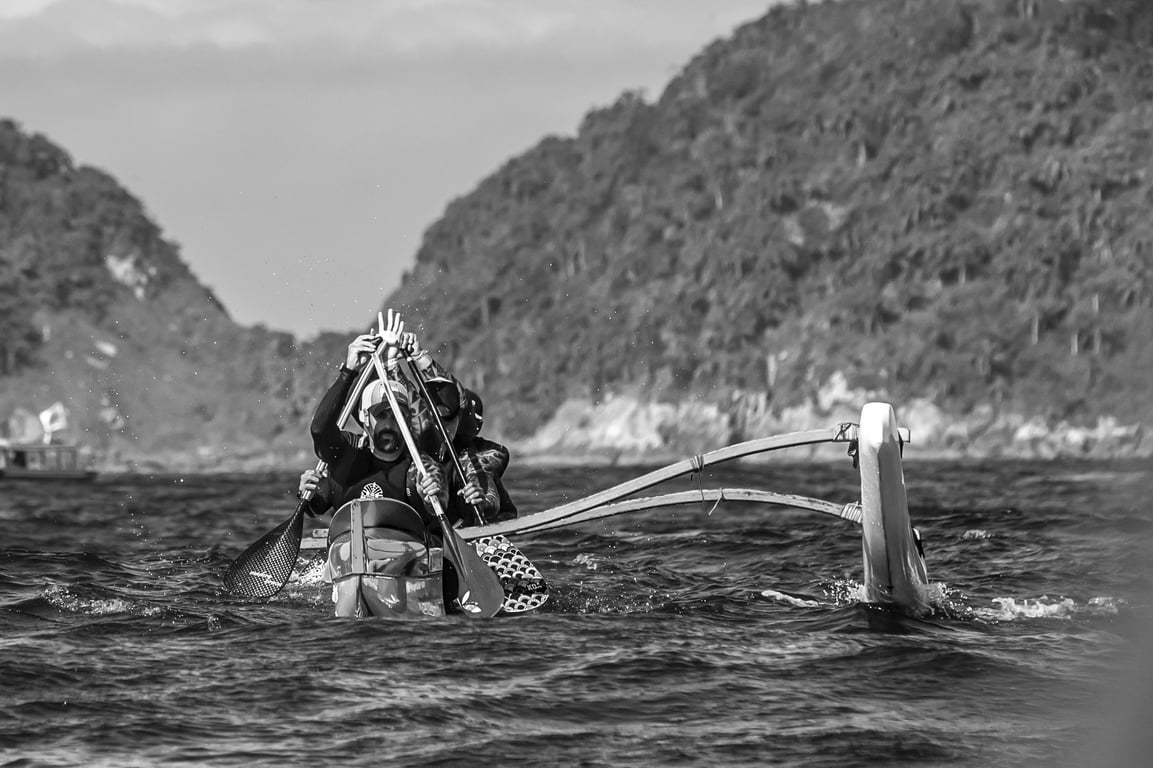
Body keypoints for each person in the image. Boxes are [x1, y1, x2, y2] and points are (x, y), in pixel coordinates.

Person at [298, 322, 450, 527]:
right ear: (364, 417)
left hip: (406, 550)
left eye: (398, 415)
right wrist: (348, 371)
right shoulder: (345, 454)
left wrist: (431, 497)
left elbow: (449, 406)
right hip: (349, 550)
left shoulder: (420, 466)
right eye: (382, 415)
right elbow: (320, 429)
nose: (390, 423)